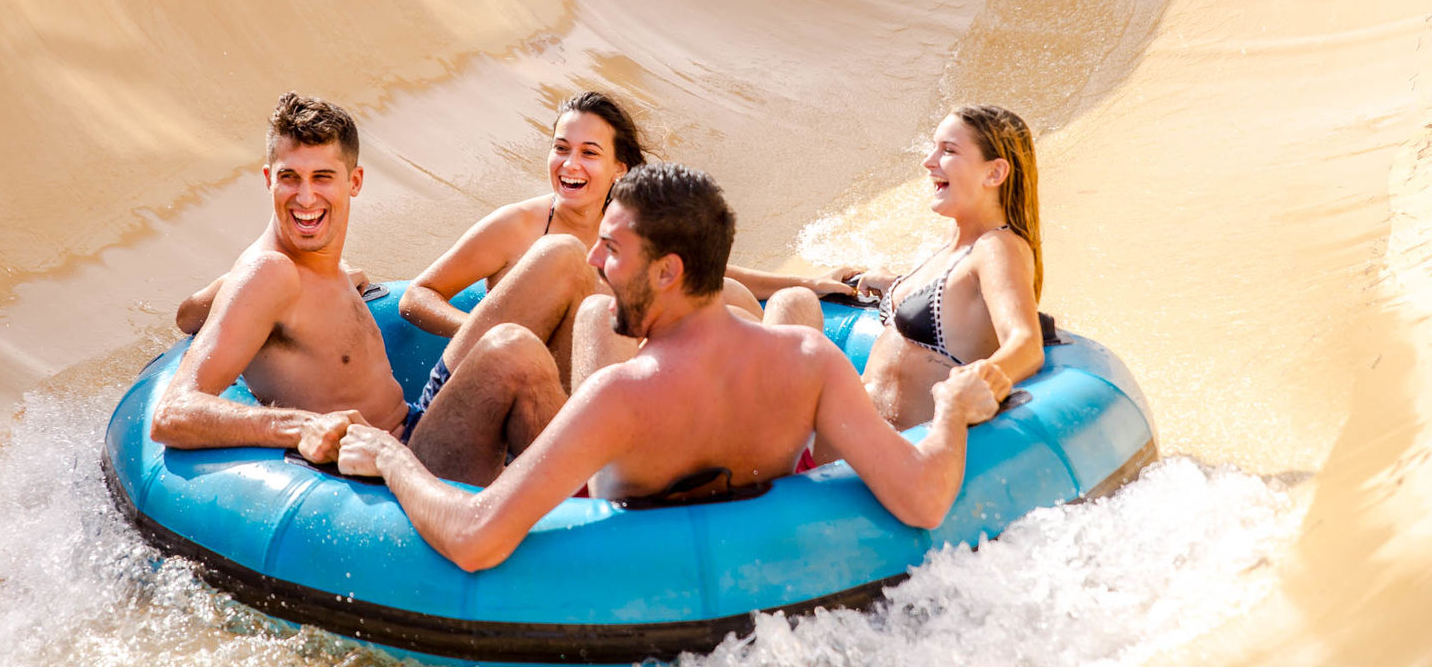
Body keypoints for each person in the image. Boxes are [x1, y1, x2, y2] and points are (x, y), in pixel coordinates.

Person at [331, 163, 1007, 572]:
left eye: (611, 251)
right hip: (753, 567)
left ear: (669, 271)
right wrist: (951, 409)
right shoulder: (810, 361)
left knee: (544, 341)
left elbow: (476, 540)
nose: (595, 263)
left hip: (601, 562)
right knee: (606, 316)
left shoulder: (619, 396)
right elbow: (923, 498)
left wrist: (394, 463)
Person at [151, 92, 567, 487]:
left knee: (560, 258)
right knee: (514, 349)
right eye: (289, 177)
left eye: (323, 177)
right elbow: (171, 413)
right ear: (268, 180)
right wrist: (302, 426)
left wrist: (226, 290)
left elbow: (191, 313)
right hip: (400, 467)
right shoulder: (270, 273)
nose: (306, 196)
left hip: (417, 424)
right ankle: (593, 513)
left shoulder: (308, 267)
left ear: (355, 181)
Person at [395, 91, 856, 415]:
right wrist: (494, 332)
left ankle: (782, 419)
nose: (570, 165)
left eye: (589, 153)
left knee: (731, 295)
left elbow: (702, 273)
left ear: (620, 167)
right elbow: (417, 296)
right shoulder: (517, 226)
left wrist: (807, 283)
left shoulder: (627, 227)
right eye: (561, 149)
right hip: (524, 383)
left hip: (598, 388)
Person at [778, 105, 1045, 459]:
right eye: (934, 148)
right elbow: (952, 307)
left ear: (995, 172)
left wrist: (985, 377)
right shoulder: (954, 245)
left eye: (948, 151)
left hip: (880, 453)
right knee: (793, 302)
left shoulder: (998, 247)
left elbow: (1026, 343)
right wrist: (893, 286)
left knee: (787, 307)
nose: (929, 161)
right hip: (839, 434)